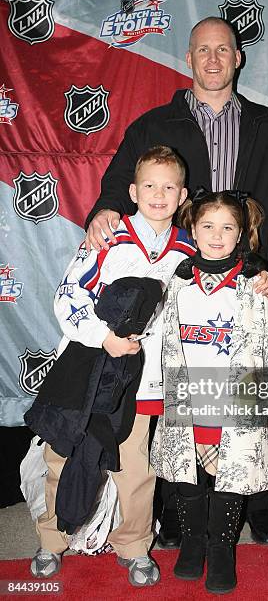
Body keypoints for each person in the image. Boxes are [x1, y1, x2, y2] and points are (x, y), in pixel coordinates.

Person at [84, 16, 268, 546]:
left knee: (251, 394)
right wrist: (101, 212)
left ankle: (258, 504)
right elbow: (117, 185)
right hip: (182, 275)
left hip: (250, 276)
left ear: (239, 58)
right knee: (186, 396)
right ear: (189, 59)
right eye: (203, 50)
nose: (214, 59)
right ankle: (178, 510)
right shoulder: (154, 125)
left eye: (224, 49)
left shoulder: (267, 125)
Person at [30, 146, 193, 586]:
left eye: (169, 187)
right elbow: (68, 295)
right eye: (150, 186)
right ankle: (50, 540)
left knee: (136, 466)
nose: (159, 194)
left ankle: (135, 545)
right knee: (62, 454)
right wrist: (104, 337)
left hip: (143, 384)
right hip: (88, 372)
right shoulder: (109, 236)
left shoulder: (189, 250)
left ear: (182, 196)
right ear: (133, 191)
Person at [150, 190, 268, 594]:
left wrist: (265, 406)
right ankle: (193, 543)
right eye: (207, 226)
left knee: (230, 476)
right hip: (187, 395)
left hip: (234, 397)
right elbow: (160, 336)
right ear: (191, 227)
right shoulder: (178, 278)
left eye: (228, 227)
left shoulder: (252, 282)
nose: (216, 234)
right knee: (187, 475)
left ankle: (222, 547)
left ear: (241, 232)